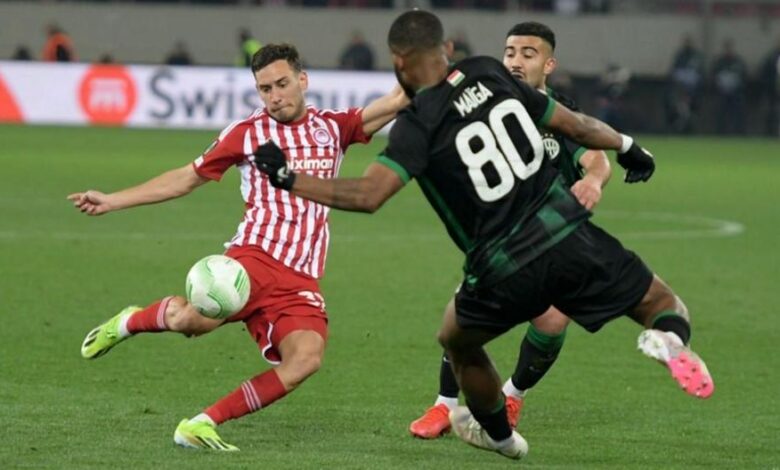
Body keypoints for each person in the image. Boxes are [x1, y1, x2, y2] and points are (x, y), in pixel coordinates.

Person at [251, 11, 714, 460]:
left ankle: (501, 437)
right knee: (662, 304)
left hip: (500, 266)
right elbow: (575, 125)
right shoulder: (489, 72)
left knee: (457, 340)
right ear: (448, 48)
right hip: (566, 235)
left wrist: (289, 178)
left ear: (398, 62)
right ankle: (671, 342)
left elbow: (369, 195)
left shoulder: (417, 123)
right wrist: (627, 146)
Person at [70, 43, 408, 451]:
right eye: (265, 89)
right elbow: (186, 178)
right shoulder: (246, 133)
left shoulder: (333, 127)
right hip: (253, 260)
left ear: (303, 80)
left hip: (301, 276)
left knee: (306, 359)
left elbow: (397, 100)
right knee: (190, 323)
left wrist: (431, 67)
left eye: (282, 84)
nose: (274, 96)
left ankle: (201, 423)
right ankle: (129, 322)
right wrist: (113, 200)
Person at [409, 21, 613, 440]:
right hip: (499, 238)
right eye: (510, 53)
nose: (516, 61)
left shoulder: (559, 111)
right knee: (463, 318)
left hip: (553, 238)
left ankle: (513, 395)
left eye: (528, 54)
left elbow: (596, 157)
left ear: (549, 64)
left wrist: (593, 180)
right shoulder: (485, 103)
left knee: (554, 319)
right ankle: (444, 405)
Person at [666, 35, 704, 134]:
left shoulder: (696, 56)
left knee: (690, 112)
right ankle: (677, 128)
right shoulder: (680, 56)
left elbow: (700, 74)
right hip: (679, 92)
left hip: (694, 93)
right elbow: (674, 72)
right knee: (676, 109)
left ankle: (689, 129)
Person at [712, 39, 748, 135]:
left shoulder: (738, 62)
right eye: (727, 48)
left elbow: (744, 76)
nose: (728, 50)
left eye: (730, 48)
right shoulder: (719, 62)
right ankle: (720, 132)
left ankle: (738, 132)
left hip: (736, 92)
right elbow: (714, 76)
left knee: (738, 110)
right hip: (722, 92)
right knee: (720, 110)